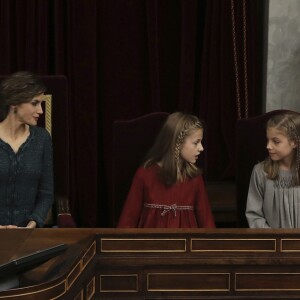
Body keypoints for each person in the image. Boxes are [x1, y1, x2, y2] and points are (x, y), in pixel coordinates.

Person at [117, 112, 215, 228]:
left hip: (185, 245)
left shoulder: (194, 178)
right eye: (196, 142)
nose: (201, 148)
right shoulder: (144, 175)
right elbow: (127, 221)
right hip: (151, 245)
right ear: (177, 143)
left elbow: (207, 225)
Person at [0, 71, 54, 228]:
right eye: (35, 103)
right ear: (14, 103)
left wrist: (32, 224)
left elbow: (46, 193)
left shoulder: (42, 139)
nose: (41, 111)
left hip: (29, 234)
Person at [246, 112, 300, 228]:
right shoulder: (261, 172)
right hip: (272, 243)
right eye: (268, 140)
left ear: (294, 142)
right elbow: (254, 216)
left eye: (276, 141)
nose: (268, 146)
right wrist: (274, 240)